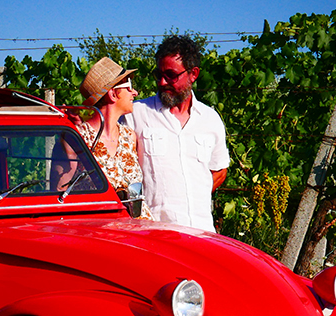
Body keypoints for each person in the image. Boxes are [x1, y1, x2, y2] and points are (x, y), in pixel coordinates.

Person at [129, 34, 229, 231]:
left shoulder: (210, 119)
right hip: (155, 234)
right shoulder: (137, 114)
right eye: (159, 75)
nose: (163, 82)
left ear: (193, 74)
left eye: (171, 75)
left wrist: (191, 195)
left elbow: (219, 170)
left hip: (202, 233)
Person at [74, 57, 147, 211]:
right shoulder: (77, 139)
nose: (135, 92)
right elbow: (61, 195)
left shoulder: (129, 137)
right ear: (113, 94)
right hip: (99, 229)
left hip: (136, 226)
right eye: (129, 86)